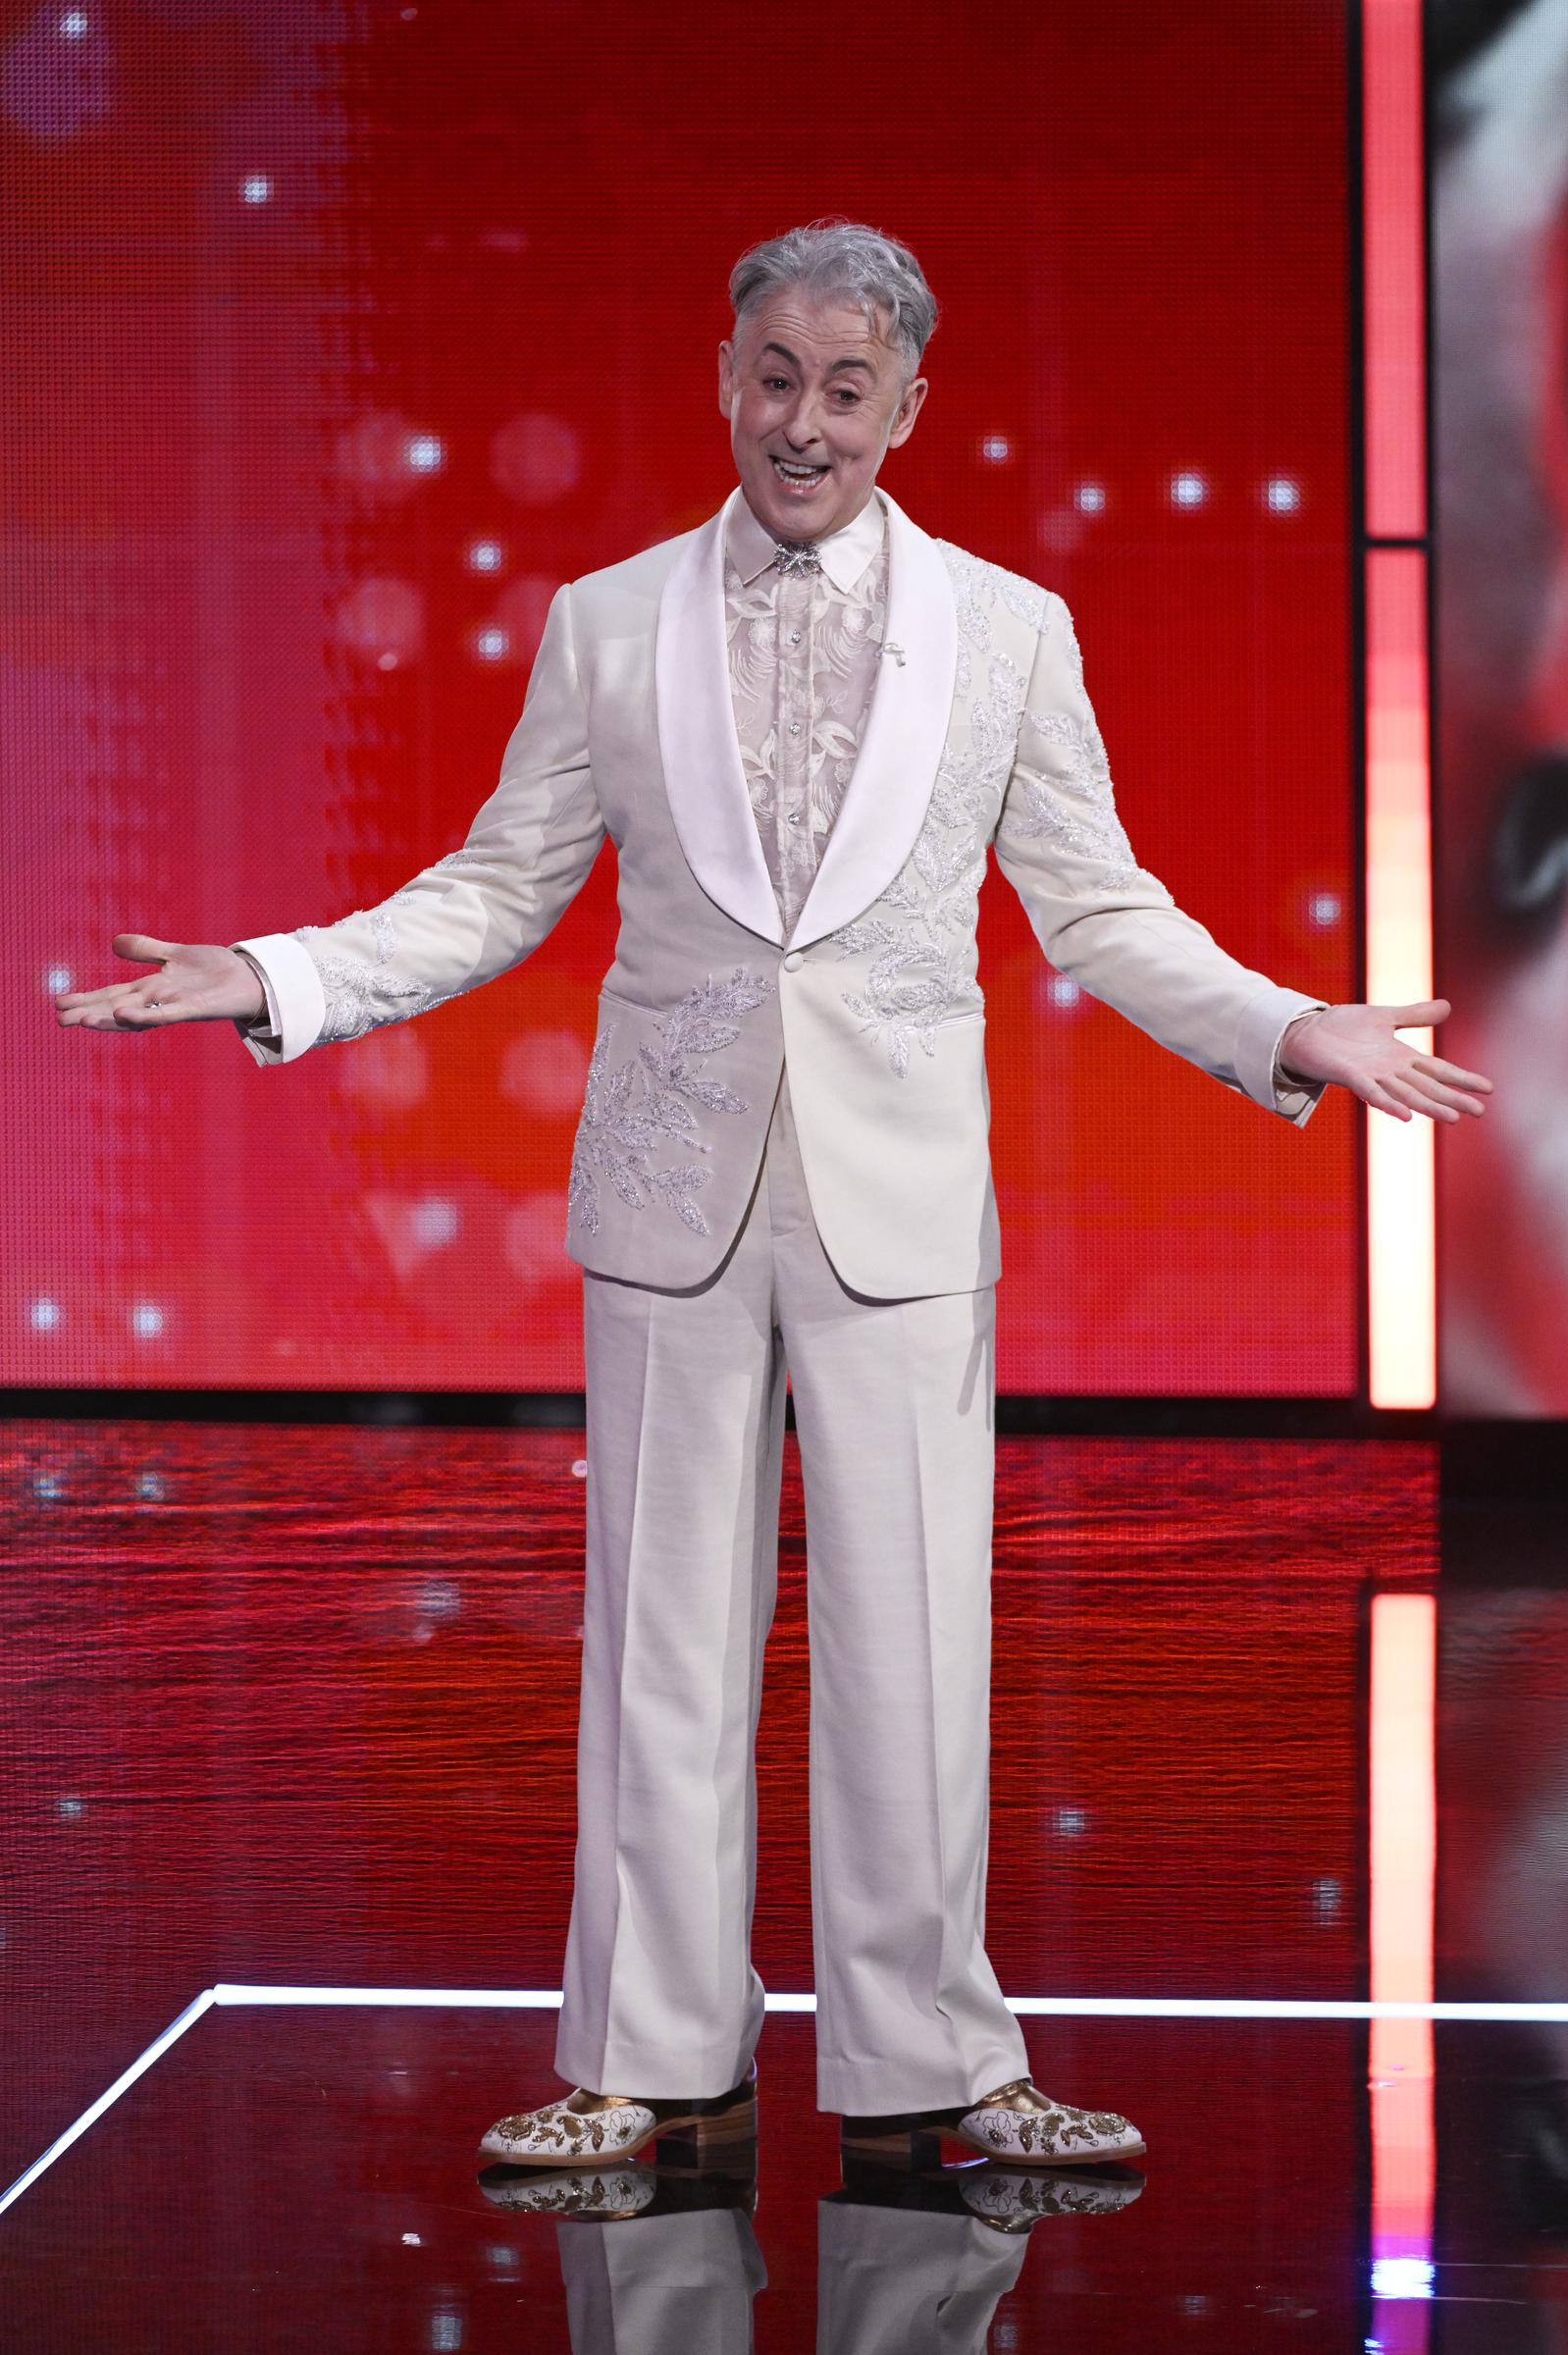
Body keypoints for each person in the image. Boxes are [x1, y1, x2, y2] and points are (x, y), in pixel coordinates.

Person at [55, 218, 1492, 2177]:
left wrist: (1281, 1026)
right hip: (669, 1194)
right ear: (718, 375)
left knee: (911, 1648)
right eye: (768, 377)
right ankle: (643, 2061)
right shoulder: (604, 619)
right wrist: (277, 974)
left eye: (841, 387)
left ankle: (936, 2065)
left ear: (907, 402)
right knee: (659, 1642)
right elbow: (494, 888)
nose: (798, 423)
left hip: (897, 1208)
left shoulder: (1007, 631)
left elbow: (1095, 903)